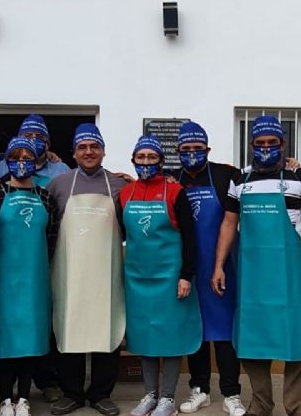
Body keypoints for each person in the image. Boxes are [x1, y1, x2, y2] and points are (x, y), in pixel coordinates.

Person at [212, 115, 301, 416]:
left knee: (296, 338)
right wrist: (219, 265)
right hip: (252, 275)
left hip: (292, 275)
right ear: (251, 145)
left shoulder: (299, 178)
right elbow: (228, 223)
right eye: (259, 144)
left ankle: (297, 407)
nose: (265, 149)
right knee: (251, 338)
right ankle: (261, 404)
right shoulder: (240, 180)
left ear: (282, 144)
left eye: (271, 144)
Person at [163, 122, 246, 416]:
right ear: (178, 152)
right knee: (195, 331)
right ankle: (200, 390)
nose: (191, 155)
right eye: (185, 150)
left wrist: (289, 163)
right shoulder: (171, 180)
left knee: (223, 331)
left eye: (197, 149)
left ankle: (231, 393)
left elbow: (262, 176)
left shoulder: (226, 175)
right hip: (187, 269)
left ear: (207, 150)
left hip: (221, 266)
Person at [45, 123, 128, 416]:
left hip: (107, 273)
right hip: (69, 273)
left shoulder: (120, 186)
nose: (89, 152)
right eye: (83, 147)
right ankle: (72, 393)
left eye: (94, 146)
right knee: (68, 327)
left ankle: (101, 394)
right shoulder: (58, 185)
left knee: (108, 326)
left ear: (103, 151)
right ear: (74, 152)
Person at [119, 135, 201, 416]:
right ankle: (149, 395)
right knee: (145, 338)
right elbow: (119, 235)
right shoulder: (124, 194)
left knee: (171, 337)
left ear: (161, 161)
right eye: (140, 158)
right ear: (133, 160)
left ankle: (167, 398)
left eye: (151, 157)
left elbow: (190, 238)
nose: (145, 163)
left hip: (170, 278)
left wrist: (185, 275)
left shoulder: (175, 192)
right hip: (137, 279)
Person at [0, 137, 60, 416]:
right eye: (16, 157)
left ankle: (23, 397)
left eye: (28, 157)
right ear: (8, 161)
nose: (22, 163)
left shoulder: (46, 197)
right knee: (5, 338)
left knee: (30, 339)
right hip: (0, 281)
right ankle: (5, 397)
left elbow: (52, 240)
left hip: (34, 281)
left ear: (37, 160)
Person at [0, 114, 71, 187]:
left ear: (47, 144)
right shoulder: (5, 165)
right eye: (28, 136)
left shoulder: (61, 169)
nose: (33, 140)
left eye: (39, 136)